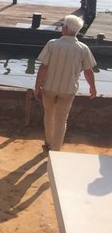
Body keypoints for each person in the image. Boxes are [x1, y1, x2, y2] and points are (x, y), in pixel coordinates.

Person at [34, 14, 97, 151]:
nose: (62, 27)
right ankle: (56, 149)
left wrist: (37, 85)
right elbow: (88, 71)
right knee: (62, 120)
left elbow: (43, 67)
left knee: (49, 114)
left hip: (49, 87)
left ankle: (48, 141)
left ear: (66, 28)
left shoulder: (52, 44)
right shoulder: (83, 48)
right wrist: (93, 87)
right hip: (68, 89)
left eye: (63, 25)